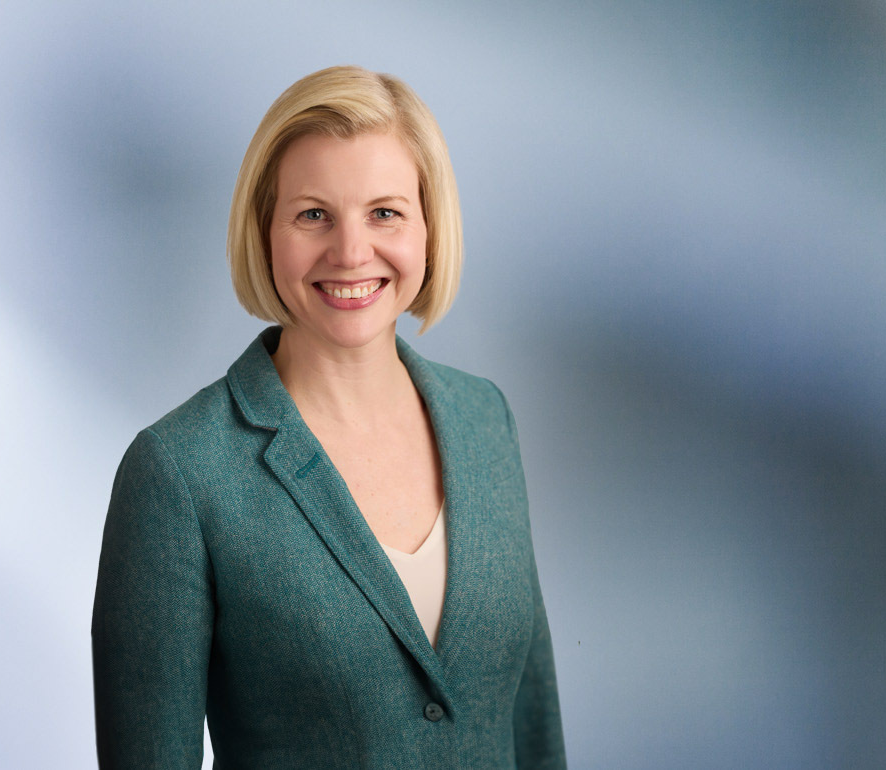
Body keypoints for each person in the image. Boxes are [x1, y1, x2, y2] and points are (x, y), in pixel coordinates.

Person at [91, 65, 566, 768]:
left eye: (385, 212)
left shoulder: (484, 420)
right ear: (266, 231)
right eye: (313, 214)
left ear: (429, 229)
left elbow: (533, 730)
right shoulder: (179, 475)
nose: (350, 252)